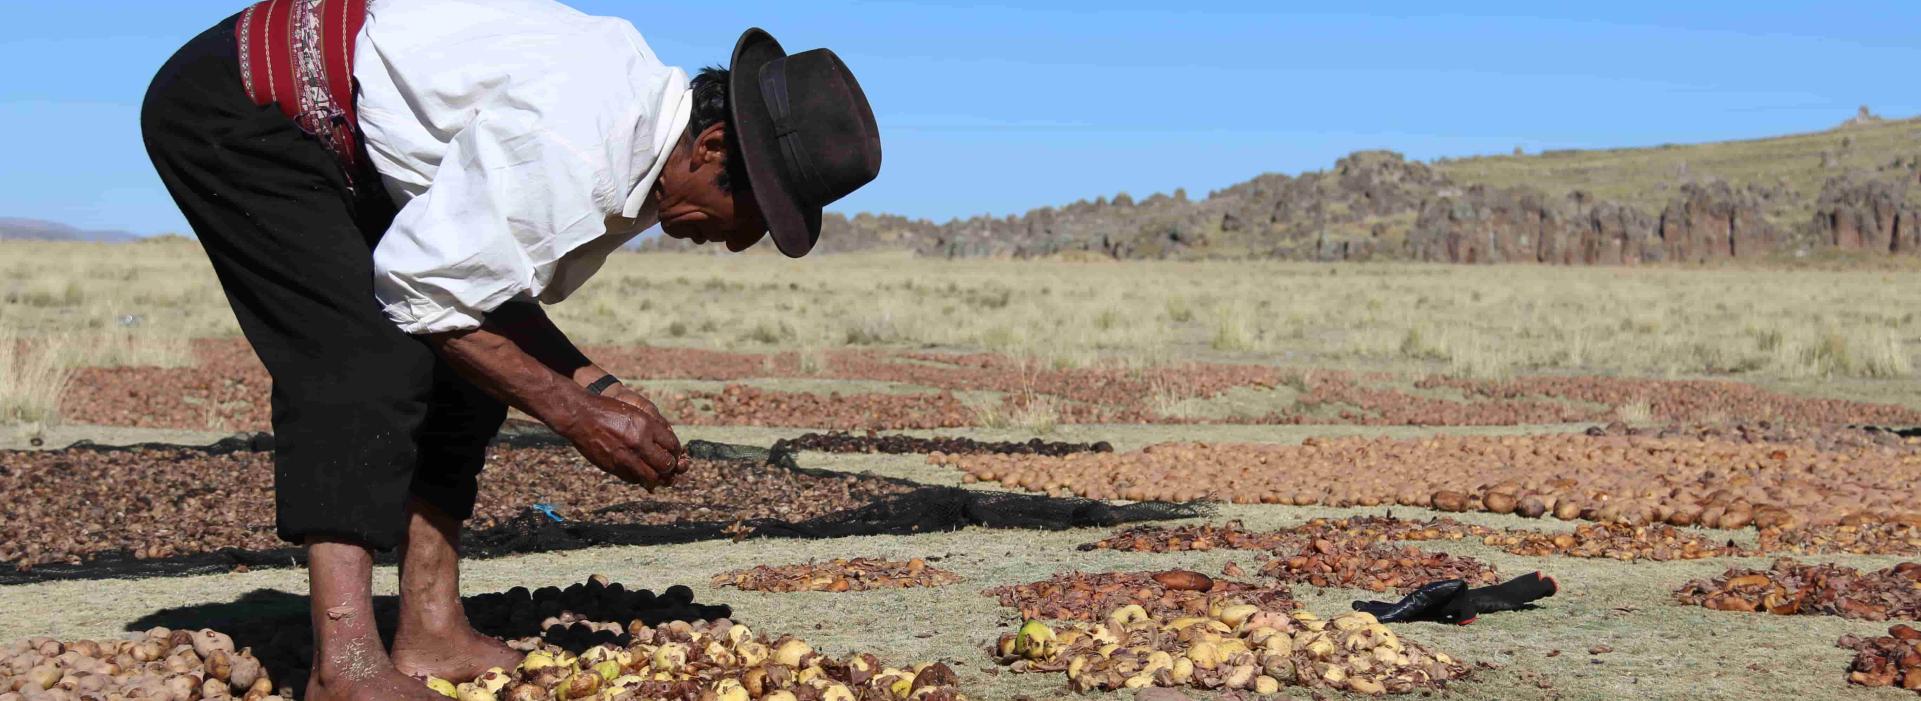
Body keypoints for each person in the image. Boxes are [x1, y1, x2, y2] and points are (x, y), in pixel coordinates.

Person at [140, 0, 881, 697]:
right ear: (712, 147)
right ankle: (346, 665)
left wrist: (597, 385)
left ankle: (430, 630)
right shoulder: (578, 141)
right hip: (247, 107)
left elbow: (484, 288)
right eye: (755, 211)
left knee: (472, 371)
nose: (743, 238)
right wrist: (574, 414)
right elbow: (427, 292)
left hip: (342, 142)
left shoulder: (641, 144)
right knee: (365, 360)